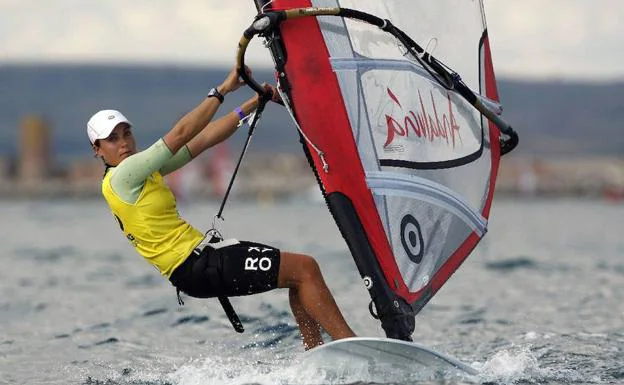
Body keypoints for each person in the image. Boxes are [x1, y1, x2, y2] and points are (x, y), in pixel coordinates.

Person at [87, 66, 356, 350]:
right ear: (97, 150)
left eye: (126, 134)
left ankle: (316, 354)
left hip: (202, 260)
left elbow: (202, 140)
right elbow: (180, 134)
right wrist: (222, 90)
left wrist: (250, 106)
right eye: (112, 139)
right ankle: (350, 345)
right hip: (196, 266)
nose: (124, 143)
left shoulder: (142, 172)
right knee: (305, 269)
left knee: (298, 274)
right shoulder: (122, 176)